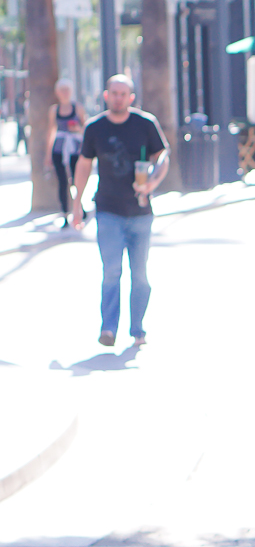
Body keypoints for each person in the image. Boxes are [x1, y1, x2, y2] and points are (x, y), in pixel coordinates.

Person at [69, 75, 169, 347]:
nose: (118, 98)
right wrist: (76, 204)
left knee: (140, 275)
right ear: (106, 96)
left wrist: (152, 183)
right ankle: (108, 328)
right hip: (108, 210)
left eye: (123, 94)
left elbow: (162, 155)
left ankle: (137, 328)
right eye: (114, 93)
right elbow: (84, 165)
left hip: (140, 212)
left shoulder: (145, 123)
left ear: (131, 98)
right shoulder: (95, 127)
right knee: (112, 271)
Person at [51, 79, 85, 229]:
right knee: (62, 182)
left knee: (76, 181)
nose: (64, 93)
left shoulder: (77, 108)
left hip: (75, 149)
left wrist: (77, 128)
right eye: (61, 90)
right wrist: (48, 154)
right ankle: (65, 213)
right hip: (59, 148)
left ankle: (79, 208)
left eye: (67, 90)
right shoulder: (54, 110)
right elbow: (51, 131)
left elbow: (86, 127)